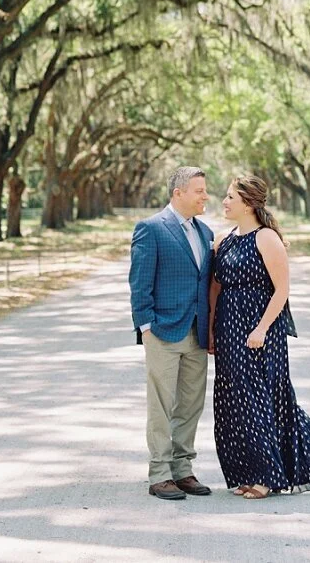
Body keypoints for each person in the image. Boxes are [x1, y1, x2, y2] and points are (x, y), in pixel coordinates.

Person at [210, 174, 310, 499]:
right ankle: (245, 471)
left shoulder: (266, 238)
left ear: (249, 203)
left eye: (230, 198)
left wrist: (261, 329)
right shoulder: (222, 239)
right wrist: (212, 330)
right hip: (229, 329)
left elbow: (282, 290)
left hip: (260, 331)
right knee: (233, 401)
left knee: (259, 400)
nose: (224, 202)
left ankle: (267, 477)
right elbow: (216, 287)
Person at [128, 166, 214, 500]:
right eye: (199, 190)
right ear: (178, 193)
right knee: (162, 405)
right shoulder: (150, 229)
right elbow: (139, 282)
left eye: (205, 190)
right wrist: (146, 327)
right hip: (163, 331)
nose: (205, 196)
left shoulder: (205, 232)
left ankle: (182, 469)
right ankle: (160, 473)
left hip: (197, 333)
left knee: (190, 405)